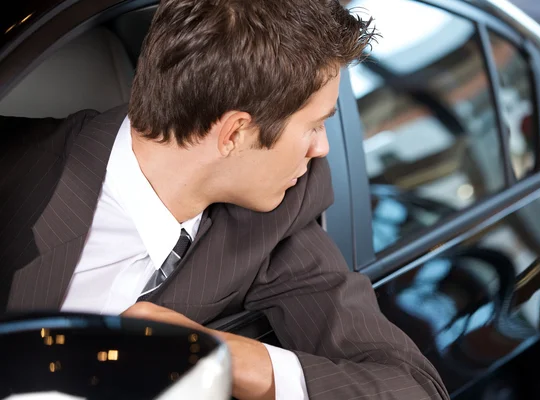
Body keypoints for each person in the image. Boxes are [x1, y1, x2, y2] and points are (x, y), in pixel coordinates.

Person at [0, 0, 450, 399]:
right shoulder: (16, 172)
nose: (322, 148)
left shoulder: (277, 215)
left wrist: (225, 359)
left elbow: (413, 388)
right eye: (314, 125)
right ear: (235, 133)